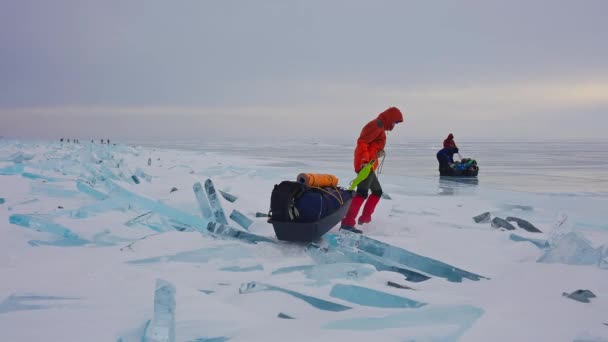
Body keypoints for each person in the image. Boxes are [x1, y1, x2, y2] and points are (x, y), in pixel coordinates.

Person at [340, 107, 404, 234]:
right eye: (395, 122)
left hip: (369, 165)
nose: (394, 125)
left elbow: (371, 145)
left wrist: (377, 152)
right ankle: (348, 223)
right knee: (362, 193)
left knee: (377, 192)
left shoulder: (380, 127)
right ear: (390, 118)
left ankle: (364, 218)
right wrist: (364, 160)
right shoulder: (376, 125)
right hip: (366, 166)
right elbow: (362, 142)